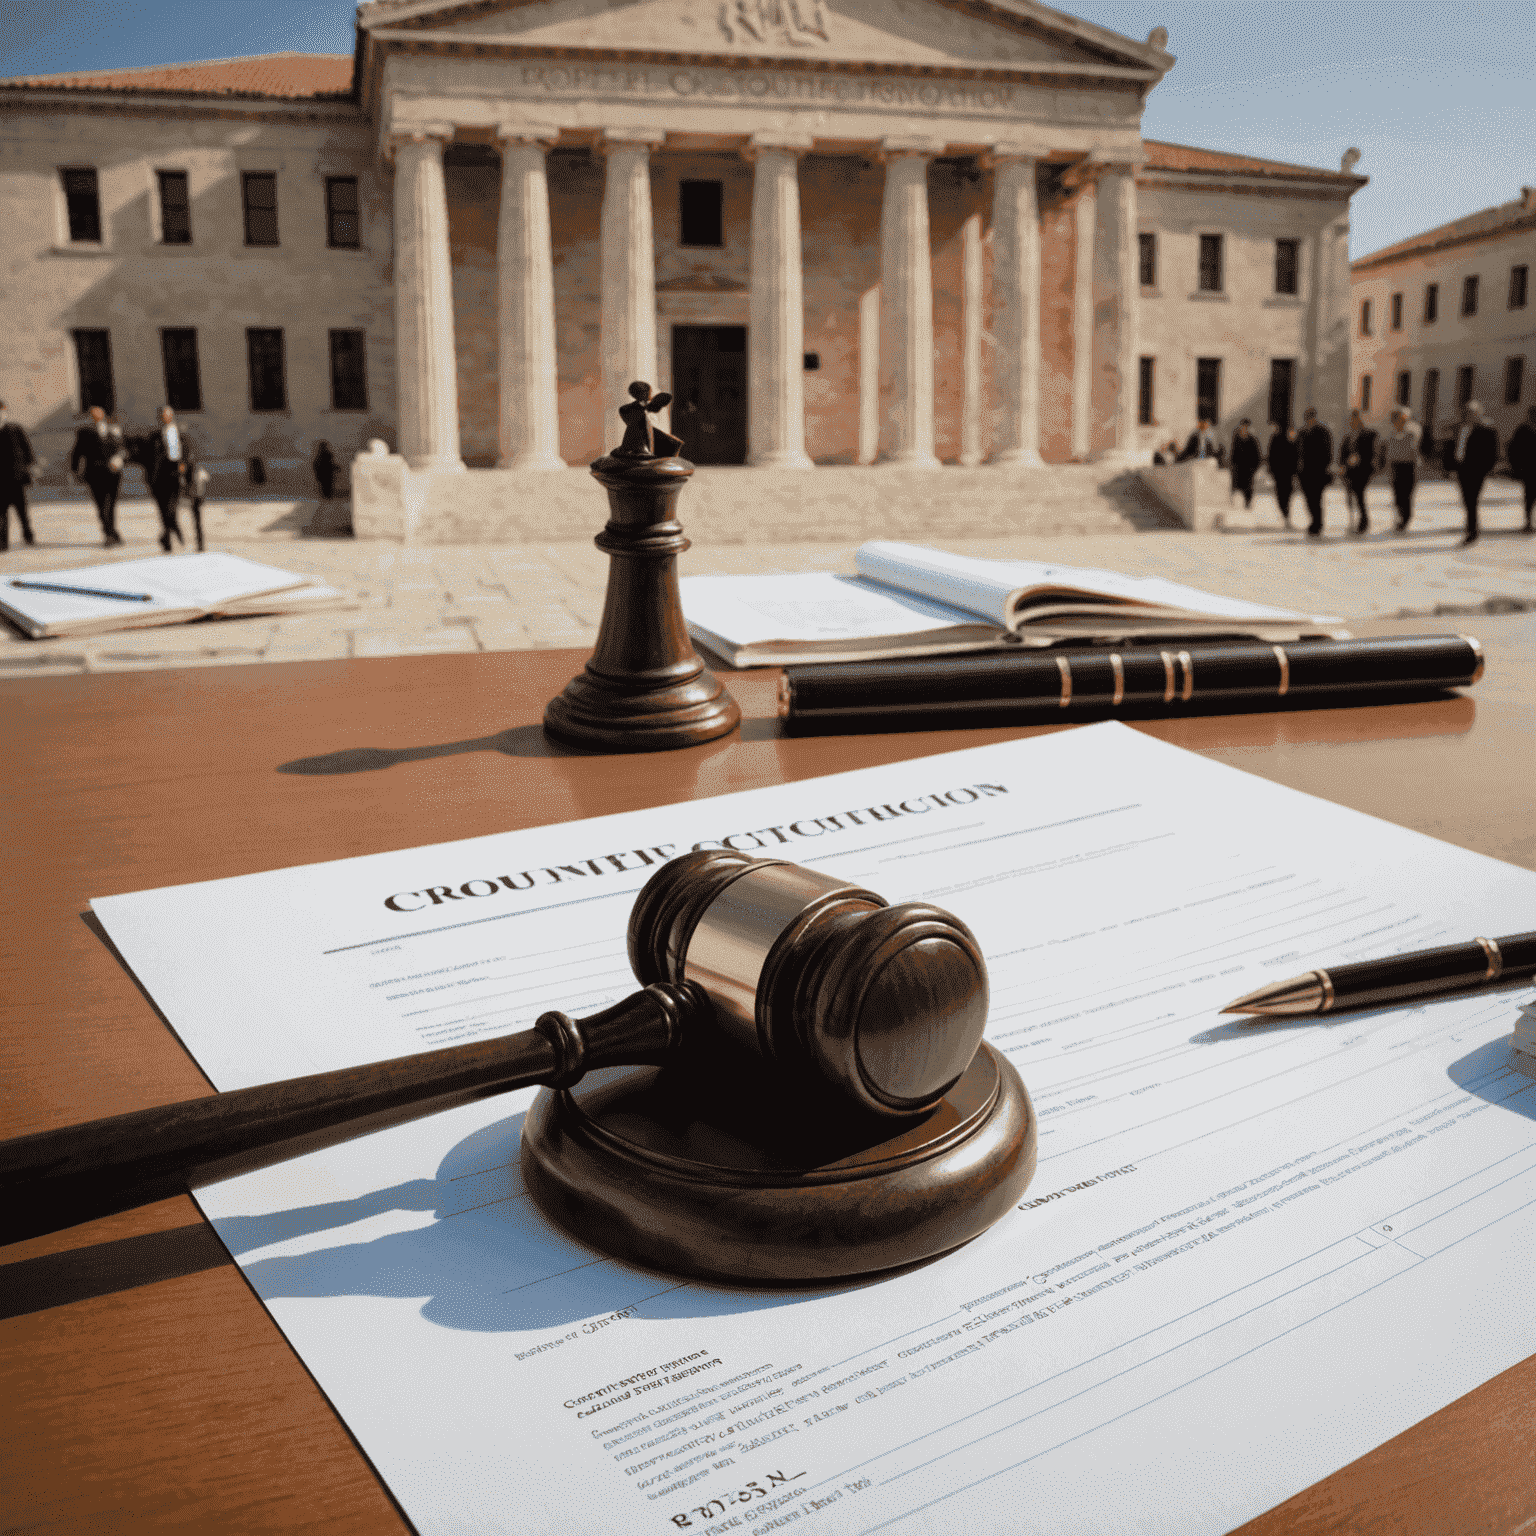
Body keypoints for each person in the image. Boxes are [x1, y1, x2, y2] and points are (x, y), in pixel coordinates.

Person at [140, 405, 196, 552]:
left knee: (171, 508)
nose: (164, 418)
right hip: (159, 476)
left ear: (171, 416)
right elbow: (147, 458)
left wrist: (184, 465)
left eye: (167, 415)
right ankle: (167, 540)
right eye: (162, 415)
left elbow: (187, 453)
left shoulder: (180, 434)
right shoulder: (154, 436)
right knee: (163, 509)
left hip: (175, 473)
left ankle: (172, 531)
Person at [69, 404, 126, 546]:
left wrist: (120, 459)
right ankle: (109, 534)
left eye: (98, 414)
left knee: (111, 504)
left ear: (103, 415)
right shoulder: (85, 432)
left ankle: (112, 531)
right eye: (93, 414)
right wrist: (75, 471)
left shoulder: (114, 429)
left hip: (113, 474)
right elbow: (77, 453)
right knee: (101, 505)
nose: (96, 416)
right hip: (95, 474)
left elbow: (122, 448)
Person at [1451, 401, 1498, 545]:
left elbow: (1492, 452)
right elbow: (1452, 447)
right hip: (1461, 469)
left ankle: (1472, 531)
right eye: (1466, 412)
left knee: (1472, 500)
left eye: (1471, 412)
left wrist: (1486, 469)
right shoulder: (1459, 428)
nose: (1468, 415)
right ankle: (1472, 528)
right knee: (1467, 500)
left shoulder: (1487, 430)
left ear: (1478, 413)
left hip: (1477, 470)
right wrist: (1451, 467)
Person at [0, 399, 38, 551]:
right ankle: (2, 543)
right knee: (1, 513)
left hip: (16, 479)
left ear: (5, 411)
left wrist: (30, 467)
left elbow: (27, 449)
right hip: (1, 480)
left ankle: (27, 533)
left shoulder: (15, 429)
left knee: (22, 511)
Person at [1338, 409, 1379, 534]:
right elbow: (1342, 454)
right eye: (1352, 419)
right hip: (1349, 472)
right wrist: (1343, 465)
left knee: (1359, 497)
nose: (1353, 421)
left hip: (1362, 471)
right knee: (1350, 497)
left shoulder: (1370, 435)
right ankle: (1353, 521)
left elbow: (1373, 453)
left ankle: (1363, 523)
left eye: (1355, 419)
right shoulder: (1348, 437)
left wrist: (1360, 458)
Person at [1381, 408, 1421, 531]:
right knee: (1397, 495)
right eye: (1395, 420)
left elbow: (1413, 451)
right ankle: (1400, 518)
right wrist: (1388, 468)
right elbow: (1389, 453)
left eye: (1399, 419)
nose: (1396, 422)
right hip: (1396, 466)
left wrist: (1417, 469)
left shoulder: (1411, 432)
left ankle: (1405, 519)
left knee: (1406, 494)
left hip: (1408, 467)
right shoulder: (1392, 434)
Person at [1297, 407, 1333, 538]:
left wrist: (1325, 467)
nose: (1308, 420)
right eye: (1307, 418)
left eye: (1310, 417)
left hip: (1318, 472)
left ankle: (1317, 524)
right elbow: (1298, 452)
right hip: (1305, 473)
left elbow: (1327, 452)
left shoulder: (1322, 432)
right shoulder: (1302, 433)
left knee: (1316, 499)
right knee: (1308, 500)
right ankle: (1314, 521)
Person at [1506, 405, 1536, 533]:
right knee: (1529, 497)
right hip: (1529, 469)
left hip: (1528, 468)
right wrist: (1516, 466)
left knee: (1529, 497)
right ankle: (1528, 522)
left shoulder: (1523, 429)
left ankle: (1529, 522)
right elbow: (1513, 449)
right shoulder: (1523, 430)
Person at [1266, 423, 1299, 526]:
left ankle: (1286, 514)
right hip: (1280, 473)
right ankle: (1285, 514)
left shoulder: (1294, 442)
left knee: (1287, 494)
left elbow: (1297, 457)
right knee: (1282, 494)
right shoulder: (1277, 439)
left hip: (1289, 473)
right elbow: (1271, 456)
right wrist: (1271, 470)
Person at [1228, 419, 1261, 509]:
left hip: (1248, 469)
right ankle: (1236, 505)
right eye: (1243, 426)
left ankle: (1247, 504)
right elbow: (1233, 453)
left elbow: (1257, 456)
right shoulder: (1237, 439)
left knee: (1247, 488)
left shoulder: (1252, 440)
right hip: (1238, 468)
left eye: (1246, 427)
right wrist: (1232, 464)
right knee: (1236, 487)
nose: (1244, 428)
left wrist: (1253, 468)